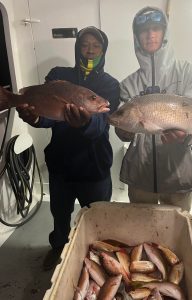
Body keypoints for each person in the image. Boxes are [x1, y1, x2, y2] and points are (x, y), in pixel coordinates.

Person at [17, 26, 120, 270]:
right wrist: (36, 119)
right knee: (59, 215)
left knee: (98, 219)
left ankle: (95, 260)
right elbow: (48, 115)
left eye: (96, 46)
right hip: (61, 166)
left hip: (94, 168)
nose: (90, 50)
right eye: (85, 45)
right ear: (77, 48)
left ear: (103, 51)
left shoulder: (110, 85)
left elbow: (103, 124)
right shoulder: (58, 74)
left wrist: (86, 123)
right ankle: (58, 250)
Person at [115, 7, 192, 211]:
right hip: (140, 176)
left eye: (156, 28)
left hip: (178, 176)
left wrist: (184, 136)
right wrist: (122, 130)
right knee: (141, 234)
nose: (150, 34)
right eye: (143, 30)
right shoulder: (127, 84)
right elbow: (123, 130)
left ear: (165, 33)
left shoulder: (190, 73)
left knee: (176, 236)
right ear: (136, 37)